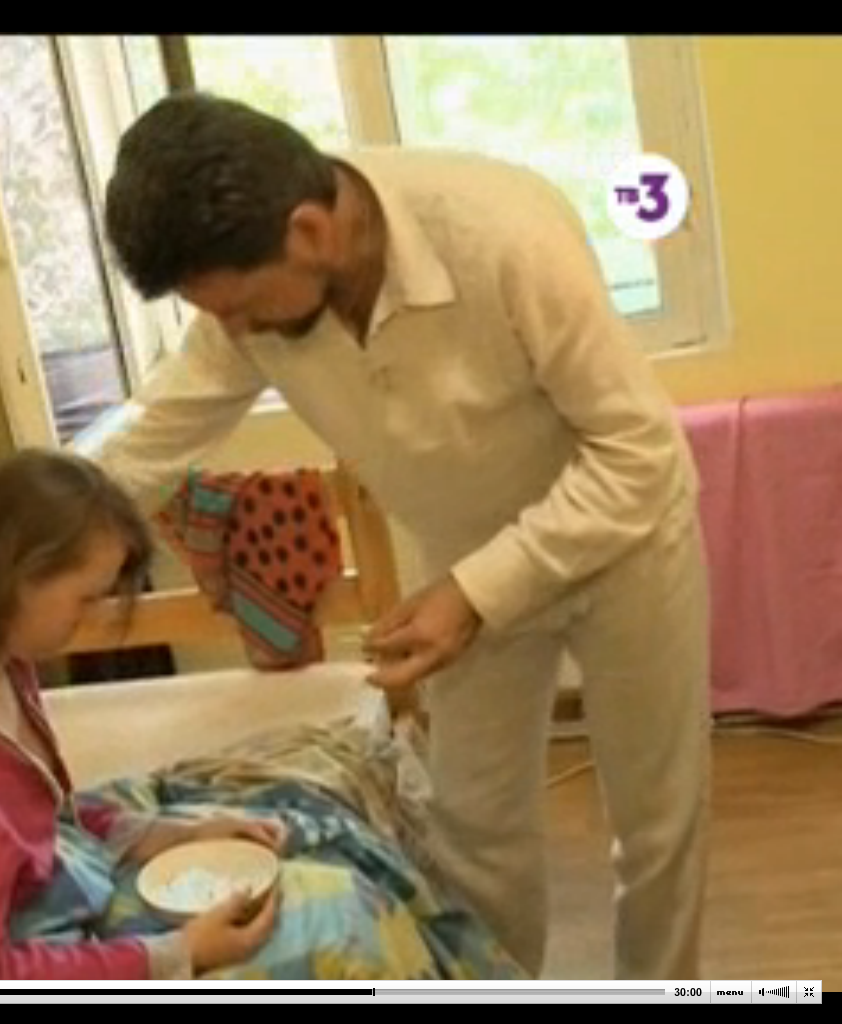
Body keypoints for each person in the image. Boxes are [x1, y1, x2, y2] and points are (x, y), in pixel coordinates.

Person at [83, 91, 712, 981]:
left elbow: (641, 453)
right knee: (475, 830)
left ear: (309, 232)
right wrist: (12, 552)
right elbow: (152, 436)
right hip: (462, 563)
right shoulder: (246, 302)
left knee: (657, 830)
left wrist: (476, 591)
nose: (235, 332)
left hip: (627, 542)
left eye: (244, 308)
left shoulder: (504, 236)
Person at [0, 448, 284, 980]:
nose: (92, 618)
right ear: (18, 574)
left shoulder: (4, 666)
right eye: (85, 598)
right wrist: (177, 954)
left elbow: (37, 820)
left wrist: (180, 835)